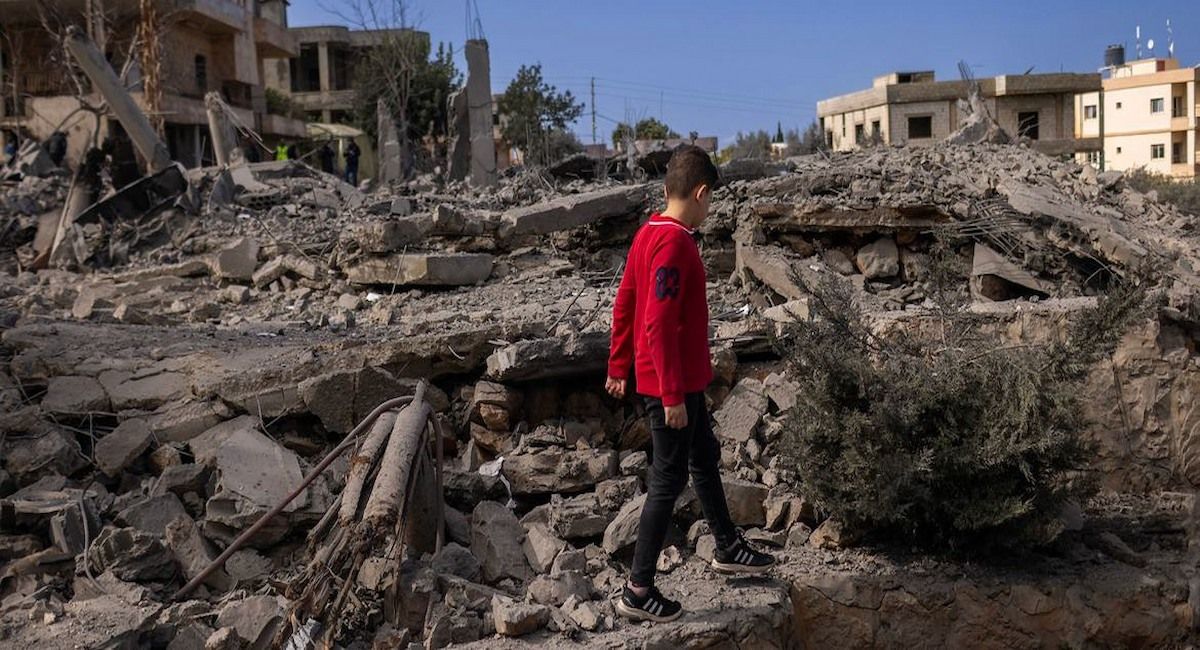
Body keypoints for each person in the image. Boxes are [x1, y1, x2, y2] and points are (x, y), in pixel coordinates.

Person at [606, 145, 775, 623]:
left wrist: (619, 366)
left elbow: (625, 304)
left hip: (676, 380)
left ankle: (726, 545)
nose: (710, 209)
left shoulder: (648, 233)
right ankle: (638, 589)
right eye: (711, 201)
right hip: (669, 386)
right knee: (668, 480)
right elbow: (657, 323)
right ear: (701, 194)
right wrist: (672, 396)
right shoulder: (676, 243)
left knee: (704, 456)